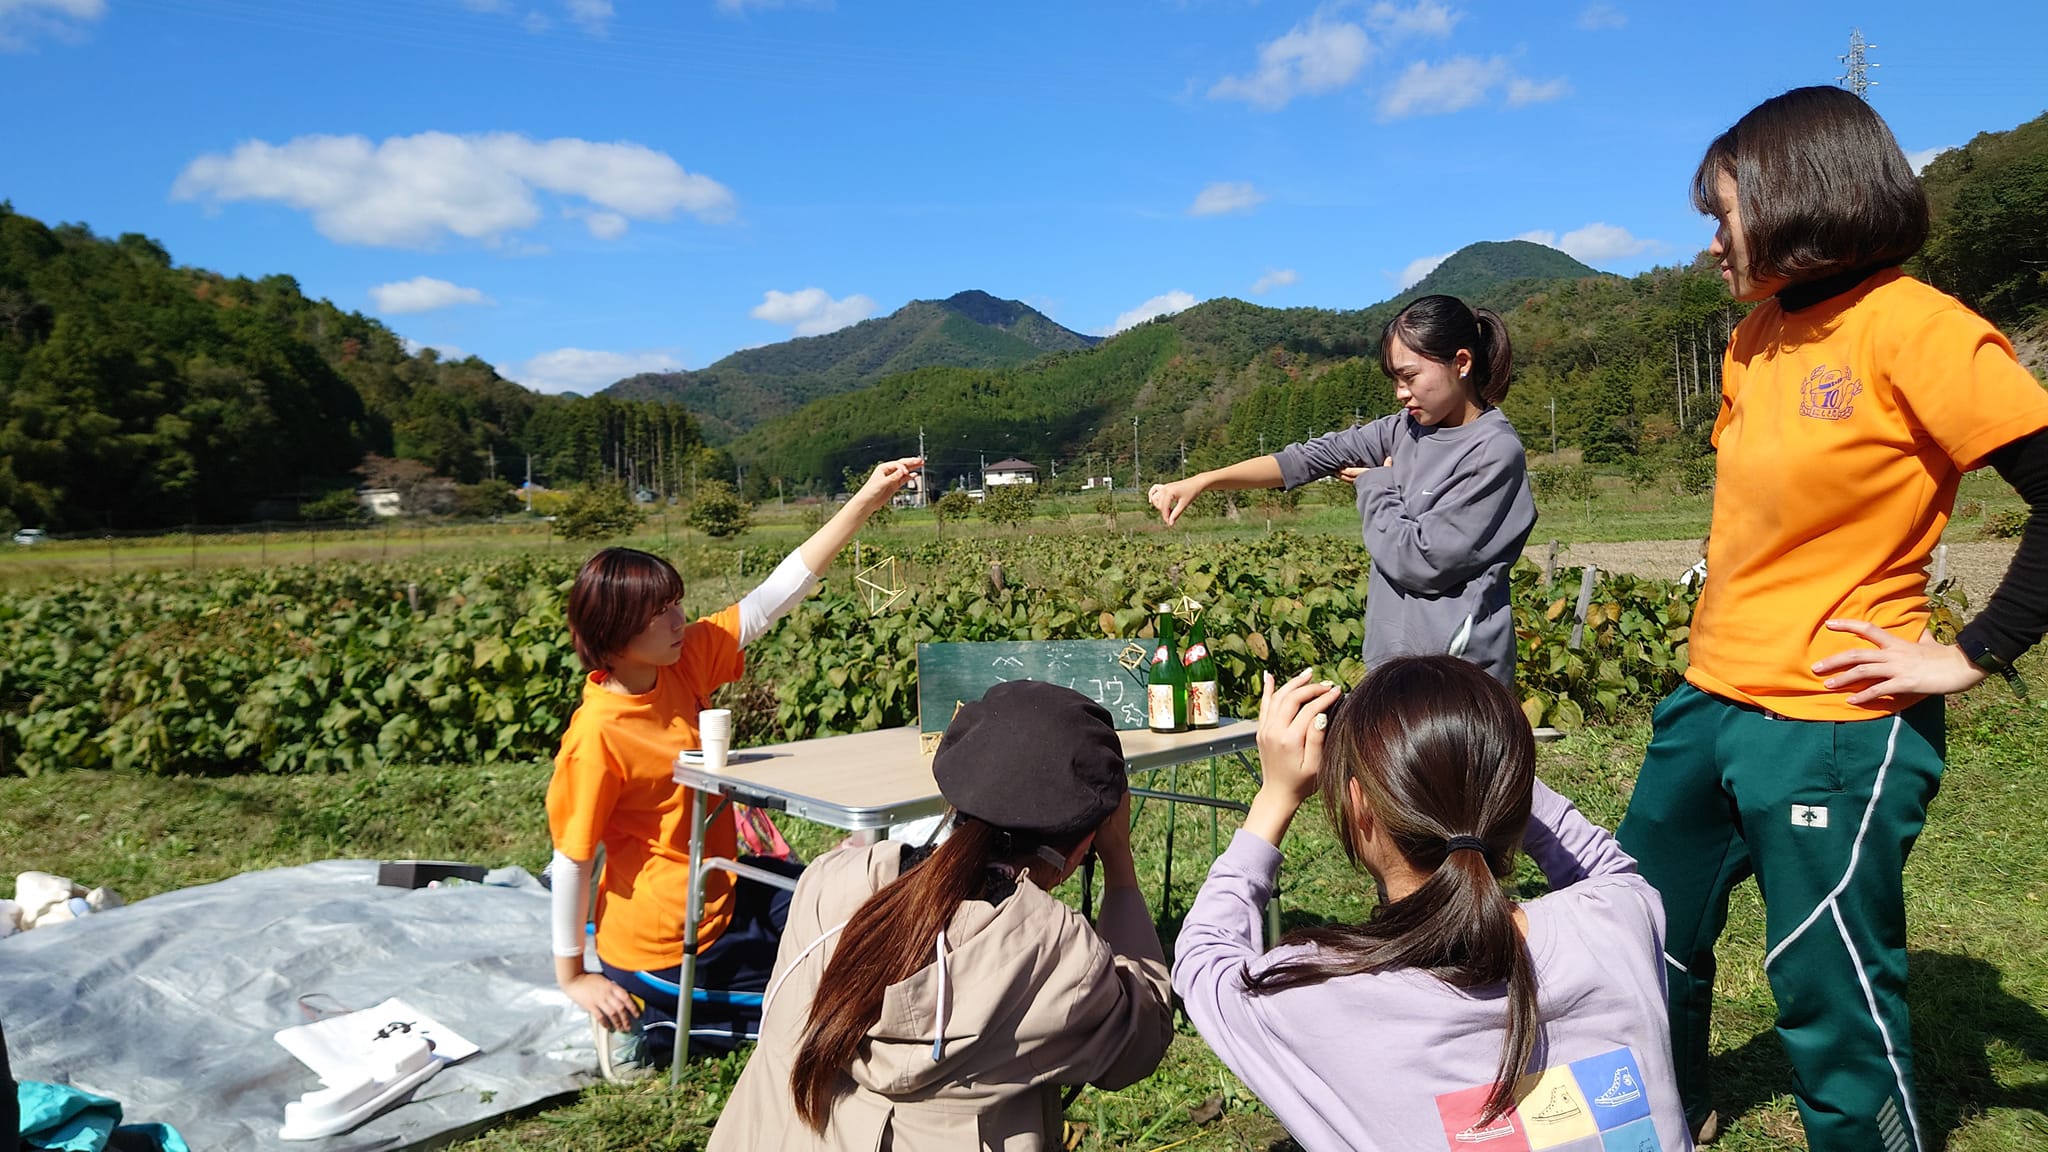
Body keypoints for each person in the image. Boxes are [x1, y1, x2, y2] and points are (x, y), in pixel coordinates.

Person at [1616, 86, 2048, 1151]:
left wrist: (1971, 653)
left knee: (1826, 979)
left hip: (1834, 723)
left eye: (1720, 215)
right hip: (1706, 699)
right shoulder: (1754, 336)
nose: (1709, 242)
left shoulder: (1921, 331)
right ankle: (1666, 1111)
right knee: (1634, 925)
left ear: (1794, 198)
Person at [1175, 658, 1691, 1151]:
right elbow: (1605, 865)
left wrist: (1276, 796)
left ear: (1358, 807)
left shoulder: (1316, 996)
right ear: (1513, 790)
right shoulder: (1619, 920)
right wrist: (1478, 761)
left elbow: (1203, 961)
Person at [547, 456, 922, 1063]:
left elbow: (772, 598)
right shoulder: (596, 736)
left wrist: (863, 502)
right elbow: (572, 860)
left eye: (677, 604)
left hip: (720, 884)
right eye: (660, 613)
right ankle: (659, 1026)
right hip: (667, 943)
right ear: (616, 636)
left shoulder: (679, 659)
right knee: (827, 1002)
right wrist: (573, 976)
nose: (679, 620)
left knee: (861, 911)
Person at [709, 680, 1174, 1151]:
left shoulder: (830, 881)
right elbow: (1144, 1034)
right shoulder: (1053, 954)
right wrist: (1120, 867)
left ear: (953, 800)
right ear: (1078, 848)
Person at [1147, 295, 1536, 684]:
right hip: (1392, 669)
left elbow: (1421, 562)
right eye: (1395, 381)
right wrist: (1204, 480)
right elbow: (1308, 459)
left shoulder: (1492, 451)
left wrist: (1375, 484)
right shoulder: (1404, 429)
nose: (1400, 393)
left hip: (1456, 677)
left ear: (1462, 363)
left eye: (1410, 377)